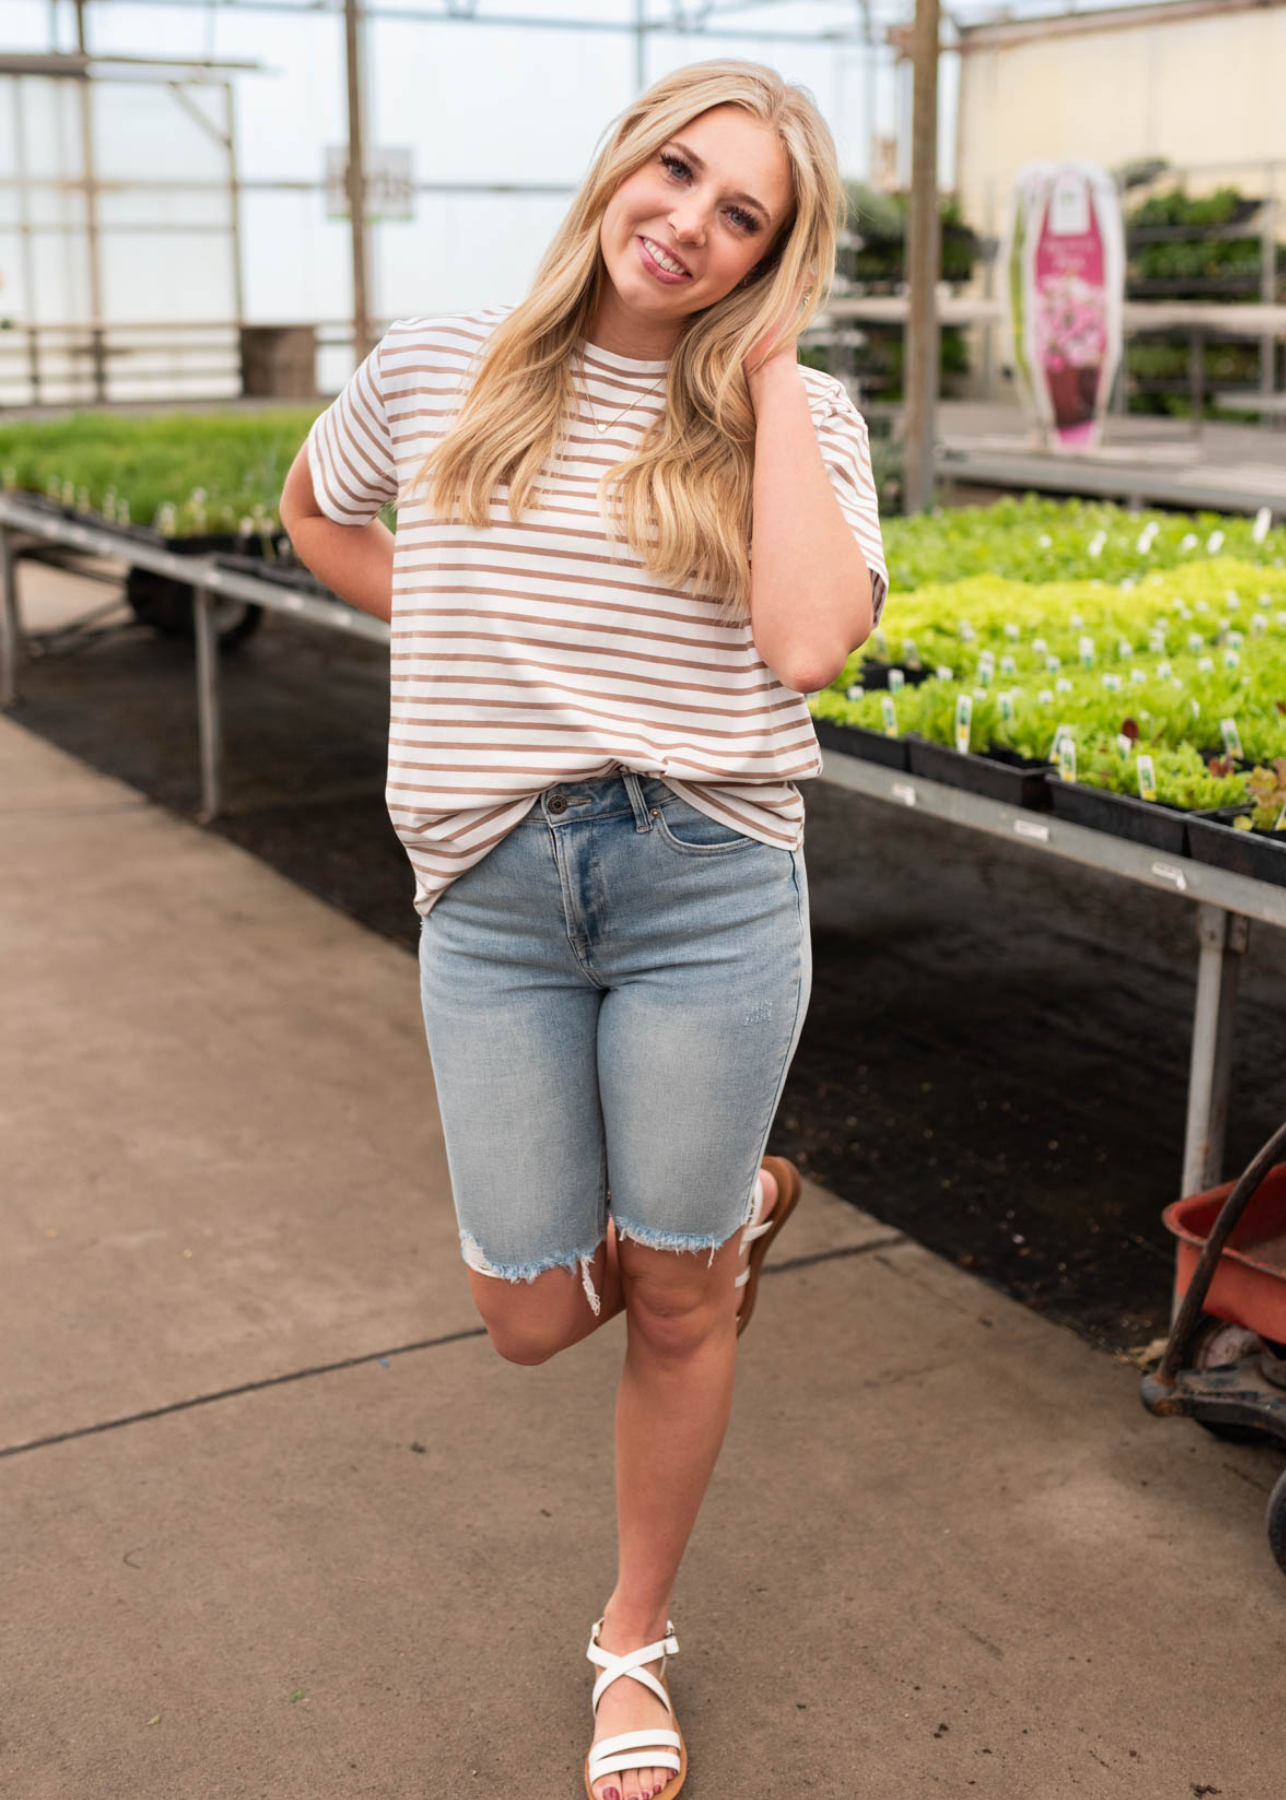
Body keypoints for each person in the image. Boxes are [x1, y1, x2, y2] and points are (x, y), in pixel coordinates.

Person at [279, 58, 887, 1800]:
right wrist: (464, 627)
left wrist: (767, 375)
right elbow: (317, 514)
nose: (687, 222)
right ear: (623, 159)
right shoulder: (437, 360)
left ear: (779, 254)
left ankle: (631, 1644)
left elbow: (802, 644)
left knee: (678, 1307)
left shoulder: (802, 415)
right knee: (532, 1319)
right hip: (492, 896)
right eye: (677, 172)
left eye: (743, 215)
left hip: (702, 881)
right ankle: (743, 1206)